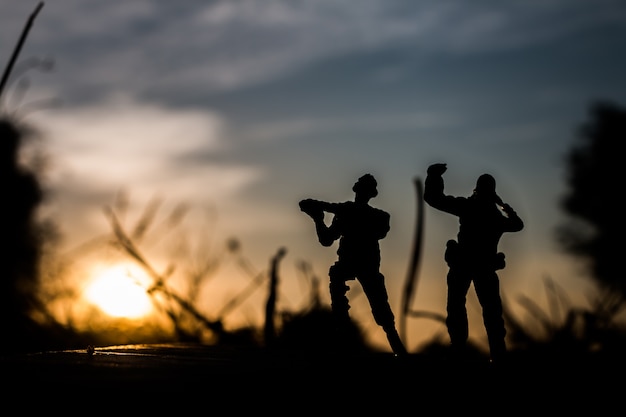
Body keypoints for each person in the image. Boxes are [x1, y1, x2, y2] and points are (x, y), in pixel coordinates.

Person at [424, 163, 524, 364]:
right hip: (477, 266)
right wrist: (502, 205)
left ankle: (466, 350)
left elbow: (434, 198)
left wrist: (434, 176)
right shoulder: (493, 215)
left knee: (466, 309)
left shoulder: (470, 207)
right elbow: (517, 224)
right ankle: (490, 353)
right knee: (483, 311)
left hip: (470, 265)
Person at [299, 174, 408, 356]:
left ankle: (397, 349)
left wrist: (327, 211)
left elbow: (378, 230)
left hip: (367, 265)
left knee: (382, 311)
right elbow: (326, 239)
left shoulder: (377, 216)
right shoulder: (345, 212)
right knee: (339, 285)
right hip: (349, 263)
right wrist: (318, 219)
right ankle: (345, 339)